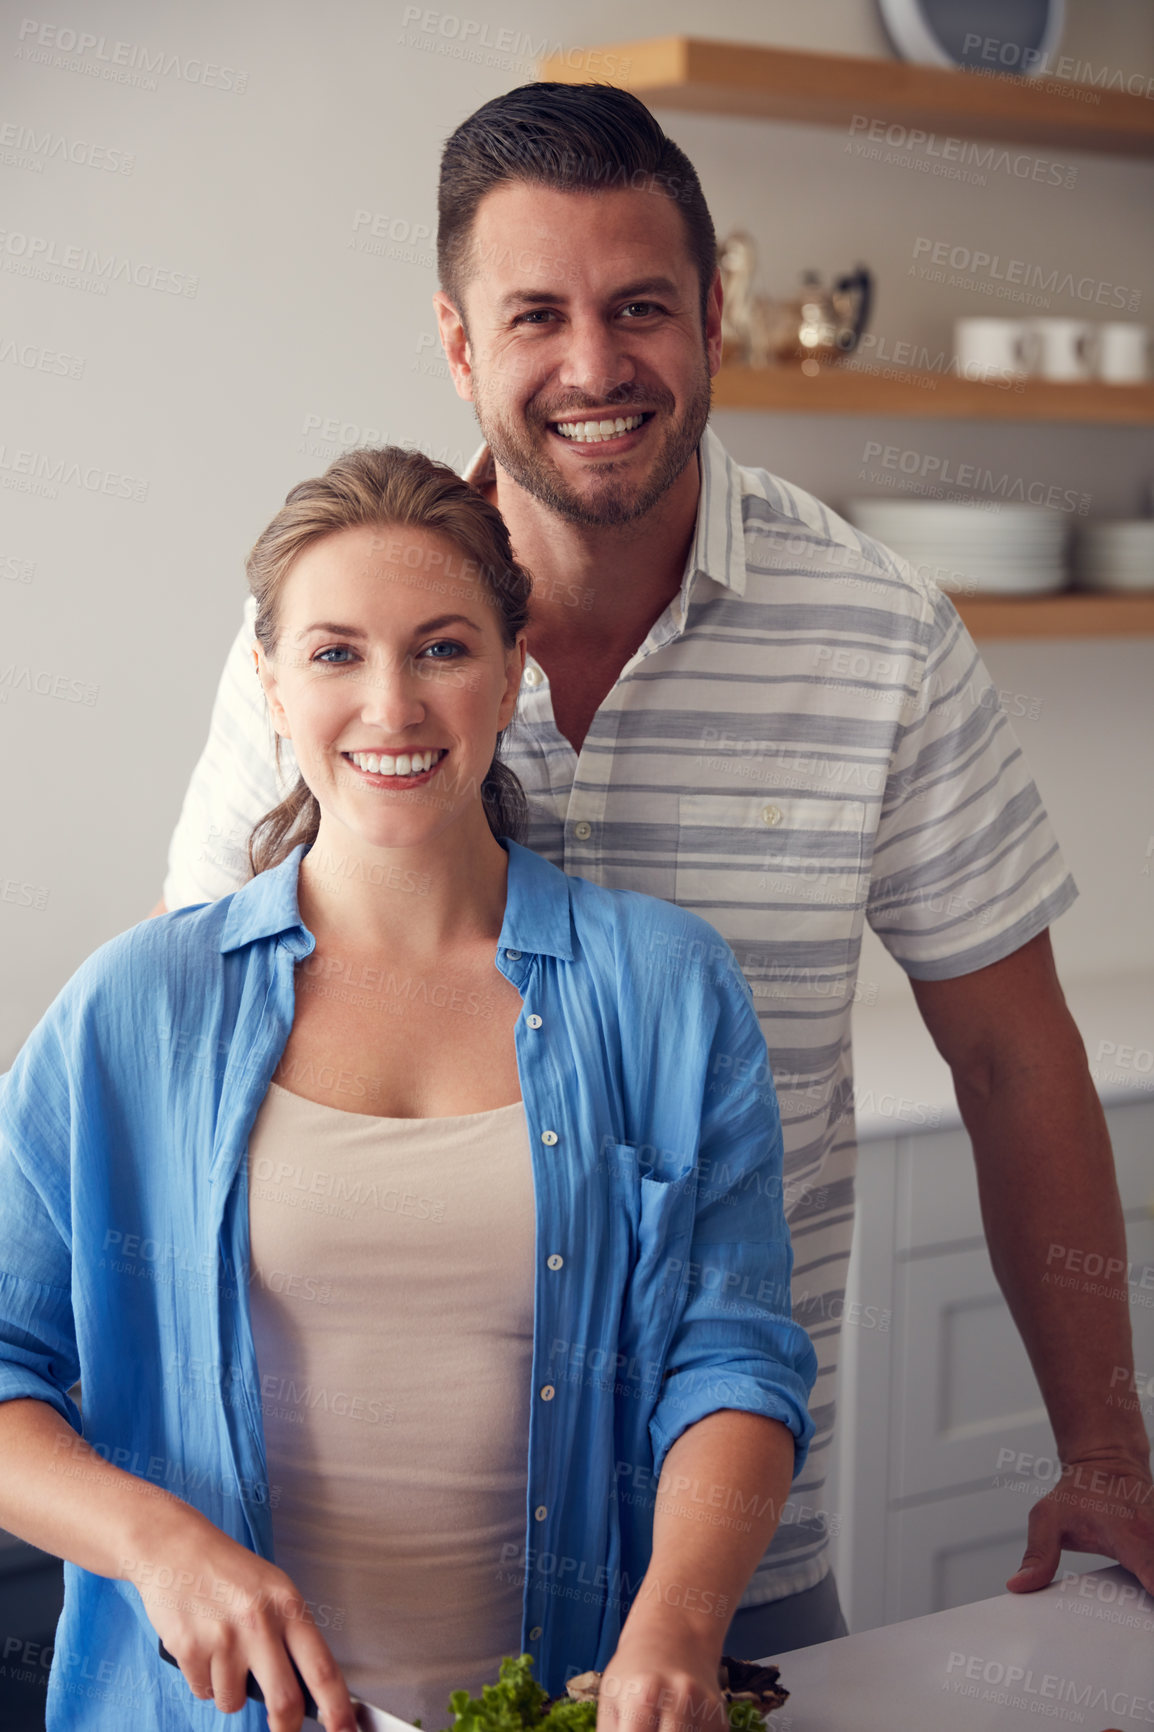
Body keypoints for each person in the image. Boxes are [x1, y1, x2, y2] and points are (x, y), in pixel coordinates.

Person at [155, 81, 1154, 1644]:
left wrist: (1104, 1447)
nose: (595, 367)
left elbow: (1016, 1064)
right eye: (536, 314)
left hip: (733, 1551)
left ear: (713, 317)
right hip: (359, 1566)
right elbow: (193, 1048)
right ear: (457, 341)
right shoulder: (323, 654)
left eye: (641, 309)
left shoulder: (883, 637)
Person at [0, 446, 817, 1732]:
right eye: (334, 654)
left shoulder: (666, 990)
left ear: (510, 675)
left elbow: (733, 1363)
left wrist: (676, 1619)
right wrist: (154, 1539)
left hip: (559, 1704)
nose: (391, 706)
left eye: (439, 649)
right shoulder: (134, 1008)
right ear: (269, 684)